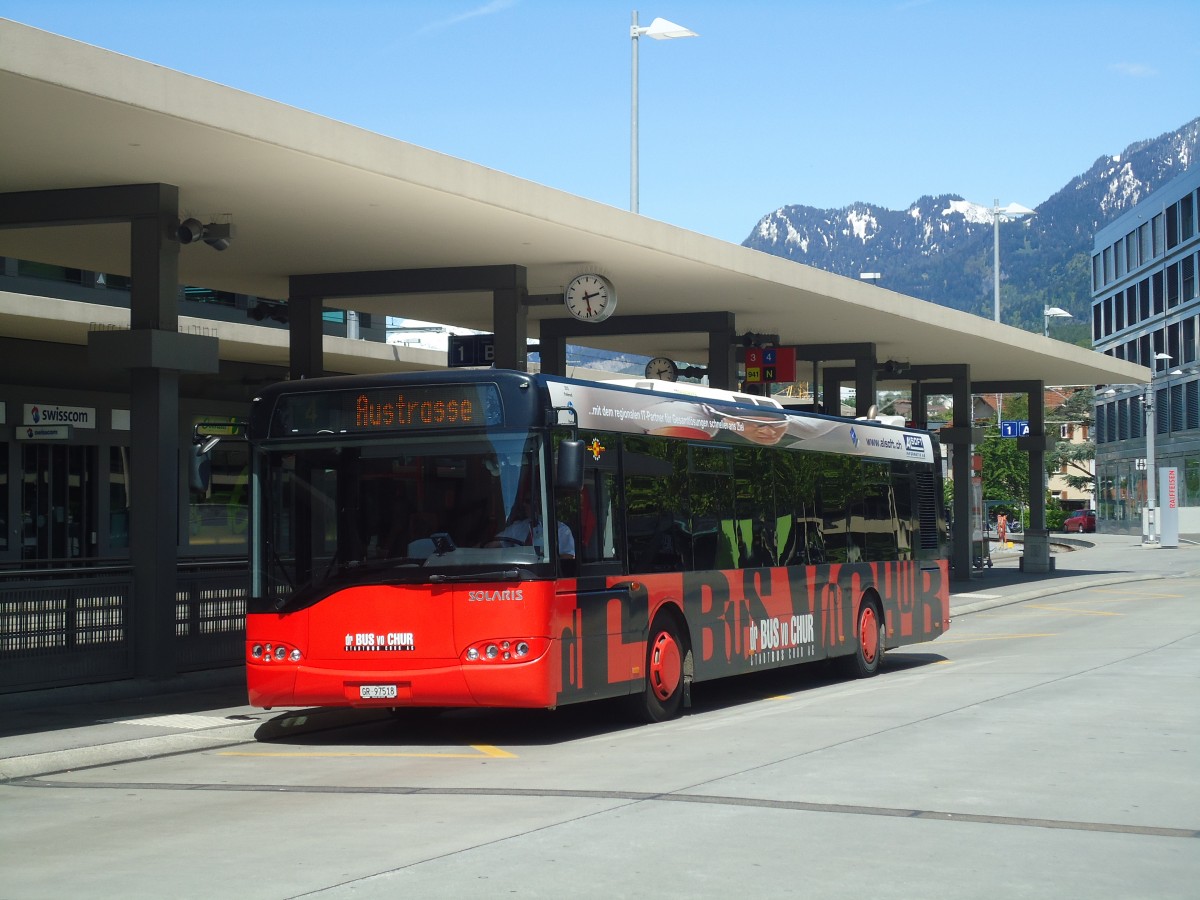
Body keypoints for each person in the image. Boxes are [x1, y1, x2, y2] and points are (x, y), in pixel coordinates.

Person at [489, 498, 575, 558]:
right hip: (515, 573)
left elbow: (568, 557)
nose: (523, 505)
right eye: (524, 501)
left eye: (528, 501)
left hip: (544, 575)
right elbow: (493, 544)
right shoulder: (517, 527)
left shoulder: (561, 530)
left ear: (539, 503)